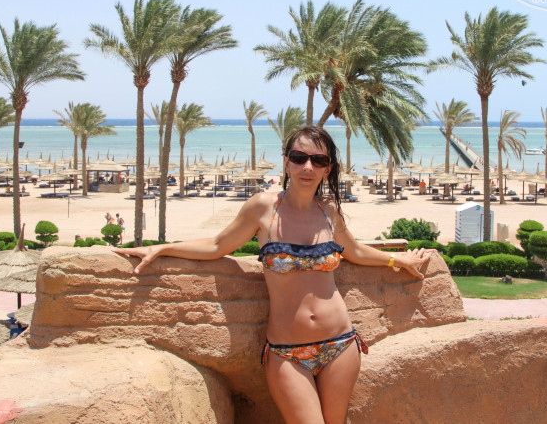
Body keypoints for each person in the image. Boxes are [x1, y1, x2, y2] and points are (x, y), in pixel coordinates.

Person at [114, 126, 434, 422]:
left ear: (328, 169)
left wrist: (397, 260)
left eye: (318, 160)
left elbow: (356, 251)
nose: (307, 167)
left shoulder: (329, 211)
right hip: (287, 353)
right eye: (299, 157)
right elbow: (217, 245)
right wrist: (163, 249)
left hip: (341, 344)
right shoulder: (263, 208)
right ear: (286, 163)